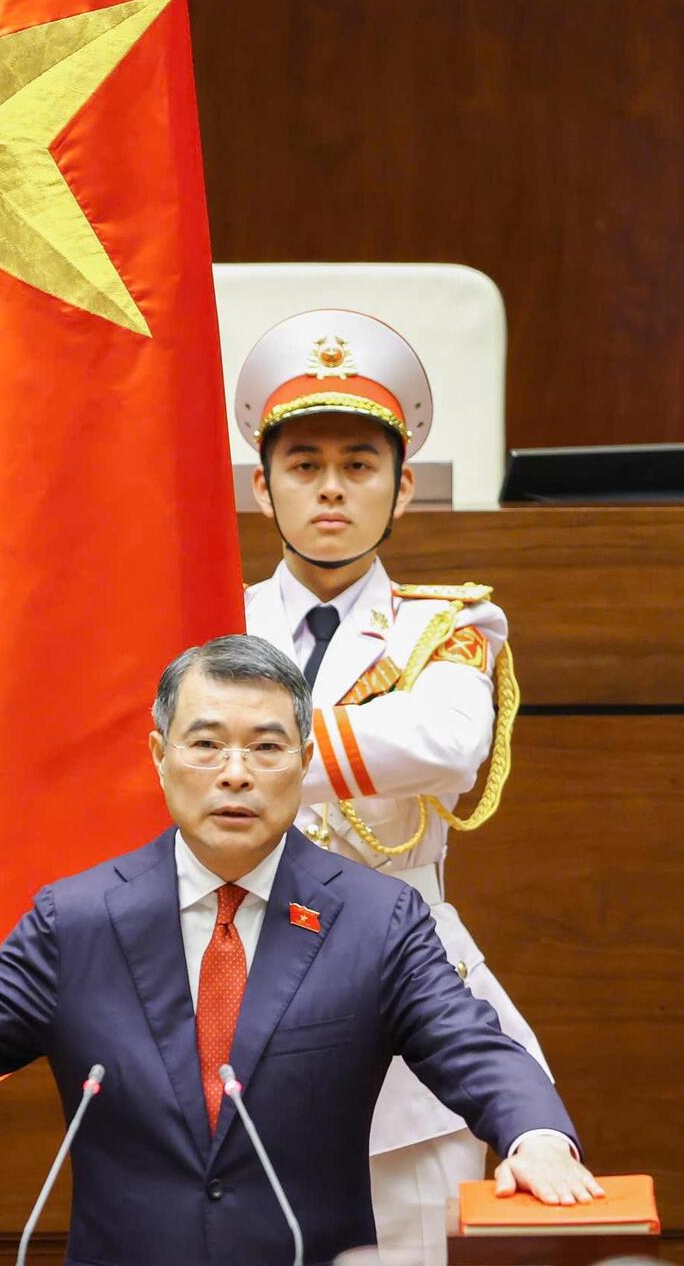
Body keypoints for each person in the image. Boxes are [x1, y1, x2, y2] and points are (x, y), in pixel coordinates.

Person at [0, 634, 597, 1266]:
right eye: (206, 744)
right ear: (159, 755)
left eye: (266, 747)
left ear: (304, 760)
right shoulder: (76, 919)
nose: (235, 772)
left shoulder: (377, 919)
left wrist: (535, 1136)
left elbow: (471, 1044)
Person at [235, 309, 544, 1264]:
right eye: (304, 464)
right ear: (262, 484)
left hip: (406, 995)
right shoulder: (208, 621)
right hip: (239, 983)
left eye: (360, 464)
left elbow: (447, 743)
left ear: (404, 486)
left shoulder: (449, 623)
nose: (332, 487)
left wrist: (236, 748)